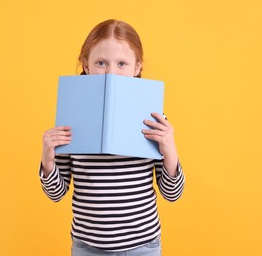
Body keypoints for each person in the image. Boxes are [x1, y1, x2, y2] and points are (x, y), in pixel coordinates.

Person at [39, 19, 185, 256]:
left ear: (137, 67)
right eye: (100, 63)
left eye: (122, 64)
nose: (111, 72)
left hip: (143, 246)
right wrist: (48, 159)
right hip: (88, 247)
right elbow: (56, 193)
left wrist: (170, 149)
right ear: (86, 65)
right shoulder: (70, 117)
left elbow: (172, 193)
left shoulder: (153, 117)